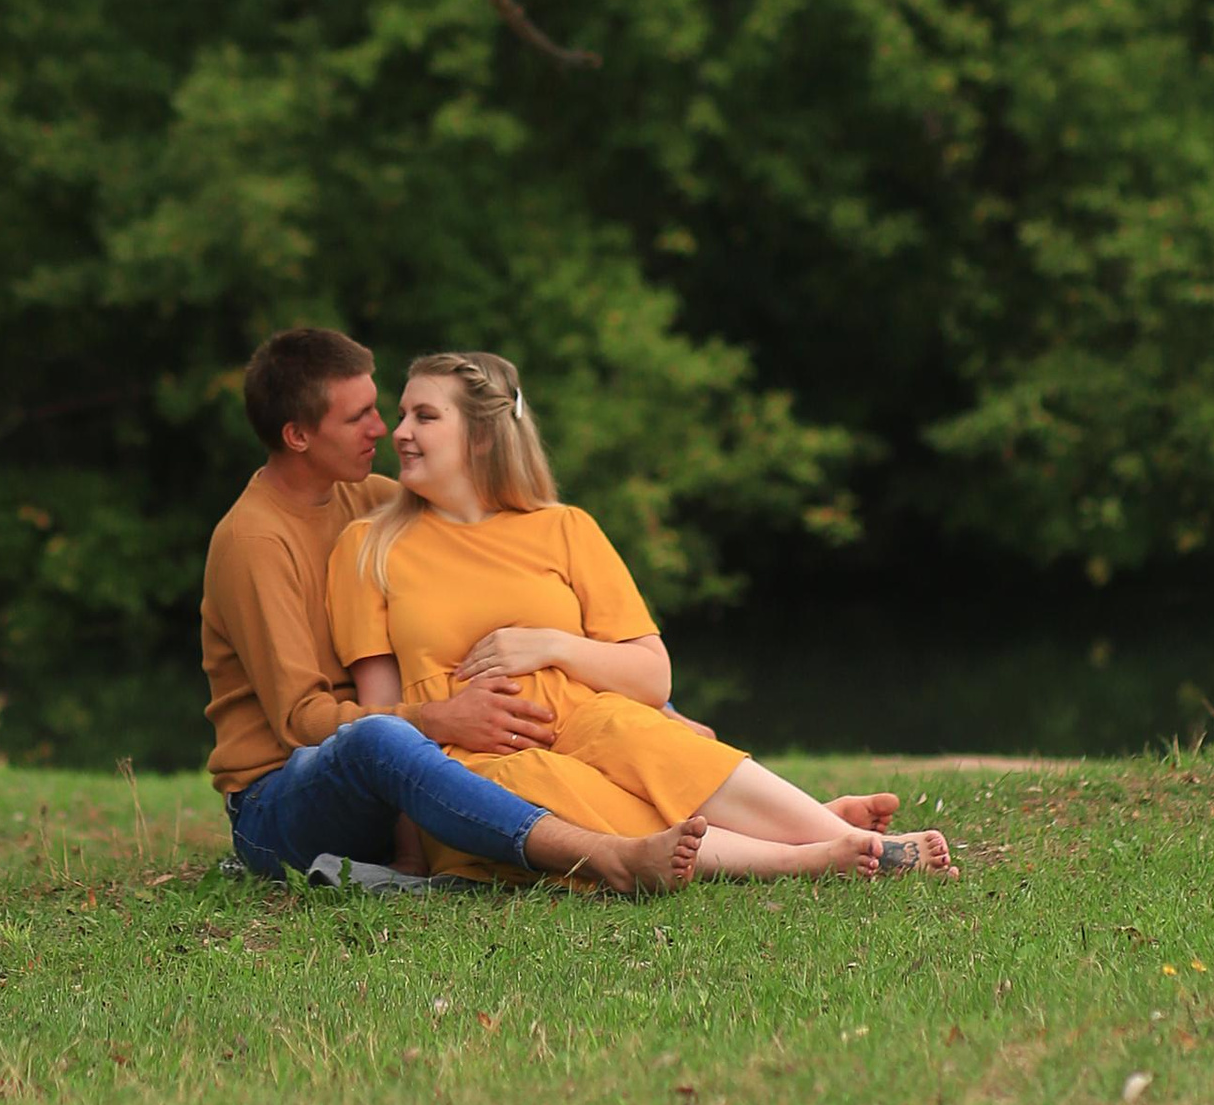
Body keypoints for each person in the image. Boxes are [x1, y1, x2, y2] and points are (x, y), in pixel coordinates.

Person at [330, 350, 956, 880]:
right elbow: (380, 724)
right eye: (404, 413)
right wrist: (407, 851)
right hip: (474, 760)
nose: (398, 431)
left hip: (587, 717)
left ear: (483, 436)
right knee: (553, 784)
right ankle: (814, 855)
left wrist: (550, 645)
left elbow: (652, 677)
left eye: (424, 416)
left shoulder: (564, 528)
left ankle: (848, 840)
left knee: (640, 735)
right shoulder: (369, 547)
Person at [202, 327, 705, 897]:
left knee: (547, 685)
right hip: (285, 801)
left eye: (378, 408)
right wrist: (437, 719)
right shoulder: (255, 542)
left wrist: (660, 707)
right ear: (297, 436)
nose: (384, 431)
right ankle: (603, 857)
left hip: (400, 776)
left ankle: (726, 826)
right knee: (378, 737)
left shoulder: (371, 499)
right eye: (357, 418)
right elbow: (299, 724)